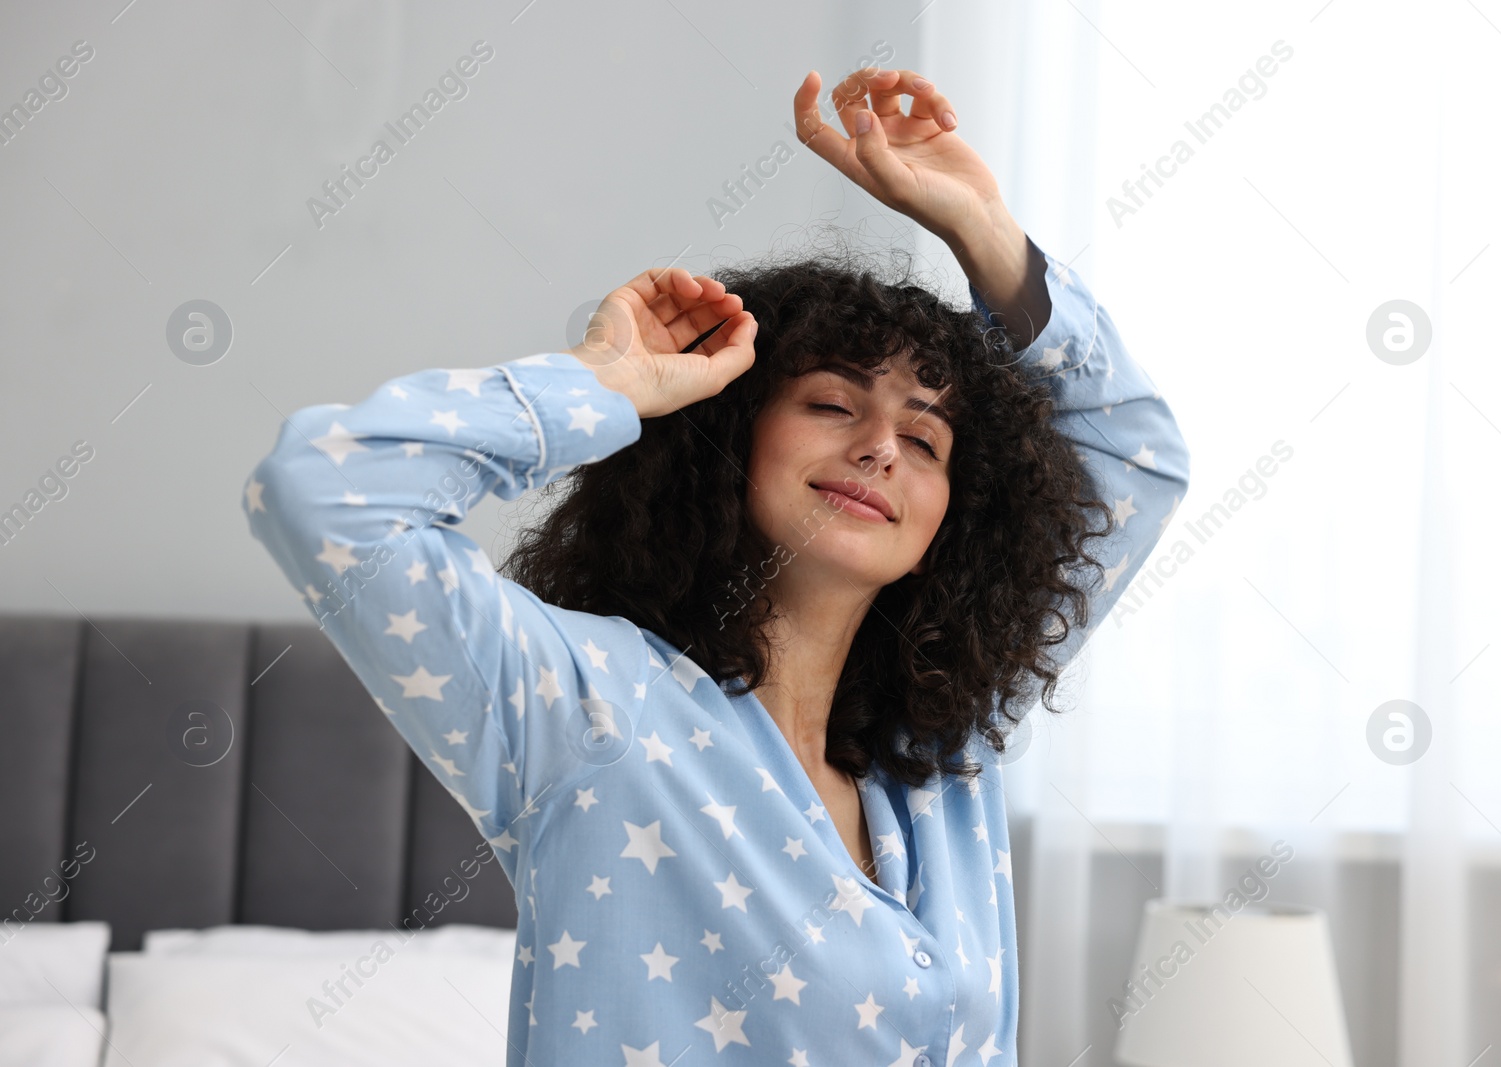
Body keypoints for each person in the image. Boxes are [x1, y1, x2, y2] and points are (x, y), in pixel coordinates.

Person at [244, 65, 1189, 1067]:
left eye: (926, 440)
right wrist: (606, 384)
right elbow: (324, 489)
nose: (878, 447)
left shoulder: (944, 749)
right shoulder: (587, 707)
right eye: (832, 404)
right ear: (729, 437)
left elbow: (1136, 455)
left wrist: (983, 228)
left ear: (959, 517)